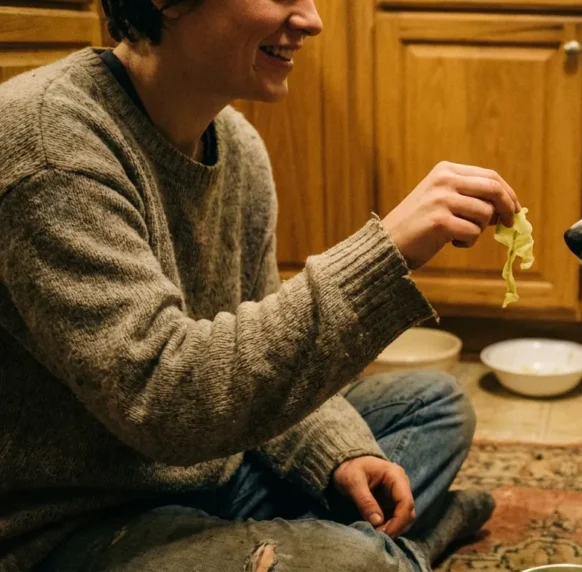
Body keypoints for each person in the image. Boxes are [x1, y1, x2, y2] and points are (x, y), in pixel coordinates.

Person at [0, 0, 522, 570]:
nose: (312, 20)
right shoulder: (48, 146)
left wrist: (336, 453)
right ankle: (399, 551)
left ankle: (343, 547)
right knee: (356, 562)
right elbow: (168, 400)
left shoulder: (238, 144)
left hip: (214, 470)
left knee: (432, 405)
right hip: (77, 527)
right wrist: (384, 254)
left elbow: (254, 349)